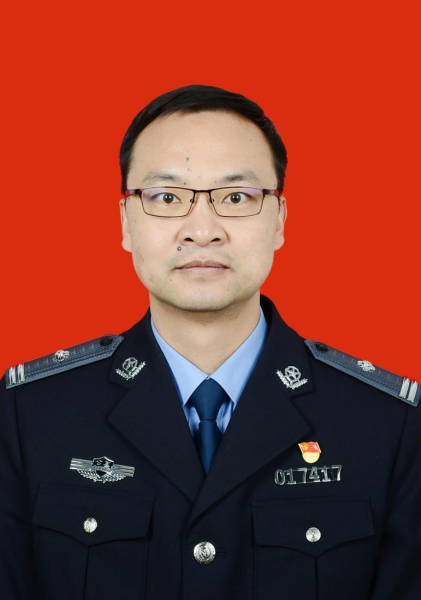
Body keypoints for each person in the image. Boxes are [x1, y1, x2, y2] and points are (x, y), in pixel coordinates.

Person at [0, 84, 420, 600]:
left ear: (280, 220)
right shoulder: (28, 415)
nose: (202, 231)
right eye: (167, 197)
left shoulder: (389, 425)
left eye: (236, 197)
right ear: (126, 222)